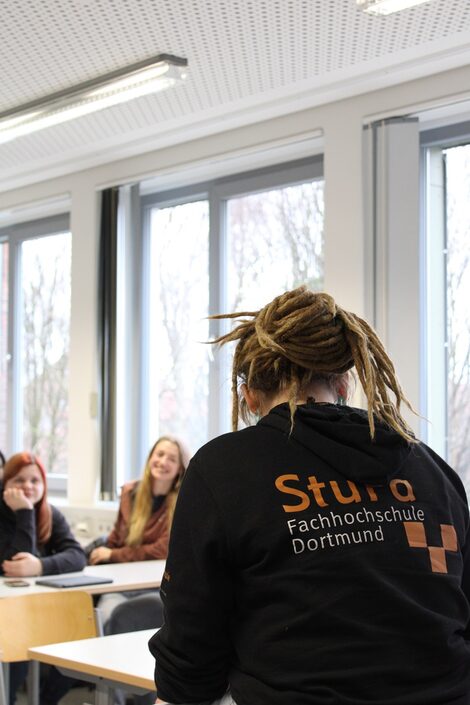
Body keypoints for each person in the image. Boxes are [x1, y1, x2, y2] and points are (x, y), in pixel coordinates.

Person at [150, 286, 470, 705]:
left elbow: (191, 657)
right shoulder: (429, 467)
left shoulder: (225, 470)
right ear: (343, 381)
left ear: (248, 393)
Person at [41, 435, 189, 705]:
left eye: (171, 458)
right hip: (121, 583)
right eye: (159, 455)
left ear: (180, 468)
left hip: (156, 586)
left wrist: (113, 554)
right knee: (103, 613)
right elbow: (118, 539)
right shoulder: (131, 493)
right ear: (149, 459)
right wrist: (109, 551)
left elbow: (162, 550)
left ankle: (139, 693)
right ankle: (114, 697)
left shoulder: (183, 499)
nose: (163, 462)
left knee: (125, 616)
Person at [0, 452, 86, 705]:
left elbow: (77, 555)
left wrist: (40, 565)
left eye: (35, 481)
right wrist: (25, 513)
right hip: (9, 609)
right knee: (17, 642)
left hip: (44, 605)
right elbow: (13, 565)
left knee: (80, 633)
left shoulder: (50, 513)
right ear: (5, 483)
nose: (28, 486)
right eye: (19, 480)